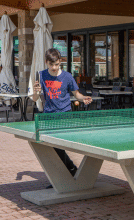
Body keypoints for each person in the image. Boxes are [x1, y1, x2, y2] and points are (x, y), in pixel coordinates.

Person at [33, 48, 92, 188]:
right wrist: (36, 92)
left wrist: (83, 98)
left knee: (58, 145)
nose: (54, 68)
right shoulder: (40, 76)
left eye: (57, 65)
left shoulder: (67, 76)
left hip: (64, 115)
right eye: (51, 65)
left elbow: (76, 94)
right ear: (47, 62)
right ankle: (68, 171)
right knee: (50, 148)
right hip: (48, 116)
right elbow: (34, 99)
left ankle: (66, 174)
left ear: (60, 62)